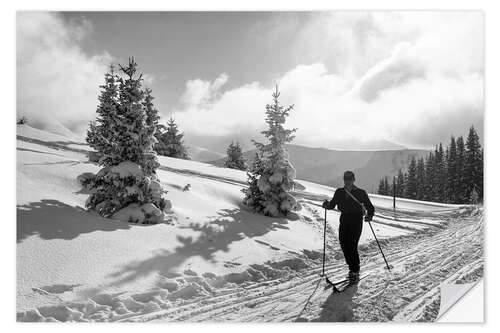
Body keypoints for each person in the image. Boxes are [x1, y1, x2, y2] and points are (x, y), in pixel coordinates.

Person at [322, 170, 375, 282]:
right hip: (344, 220)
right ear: (344, 180)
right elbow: (332, 204)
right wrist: (327, 205)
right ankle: (352, 266)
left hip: (356, 220)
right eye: (346, 179)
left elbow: (370, 207)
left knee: (351, 244)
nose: (347, 181)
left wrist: (369, 215)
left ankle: (354, 270)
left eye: (349, 179)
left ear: (353, 180)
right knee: (343, 243)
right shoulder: (339, 192)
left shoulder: (361, 192)